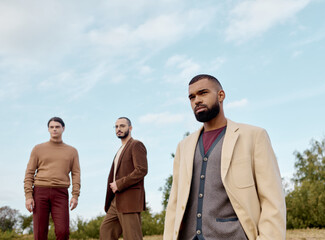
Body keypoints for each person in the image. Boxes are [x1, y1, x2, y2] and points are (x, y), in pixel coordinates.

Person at [163, 74, 286, 240]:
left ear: (221, 95)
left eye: (203, 93)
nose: (196, 100)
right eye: (192, 97)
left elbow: (272, 200)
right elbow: (174, 204)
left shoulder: (253, 136)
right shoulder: (183, 146)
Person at [24, 117, 81, 240]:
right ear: (48, 129)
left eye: (57, 127)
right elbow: (29, 173)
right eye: (52, 127)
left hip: (61, 193)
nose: (54, 129)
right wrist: (28, 196)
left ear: (63, 128)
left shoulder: (72, 151)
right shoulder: (38, 149)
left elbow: (76, 174)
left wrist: (75, 195)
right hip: (40, 192)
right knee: (40, 233)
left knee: (63, 232)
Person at [100, 117, 148, 240]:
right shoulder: (119, 150)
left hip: (129, 200)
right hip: (116, 200)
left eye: (122, 126)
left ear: (130, 128)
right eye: (116, 127)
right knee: (106, 230)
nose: (119, 129)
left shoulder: (136, 145)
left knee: (132, 236)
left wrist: (119, 184)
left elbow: (141, 169)